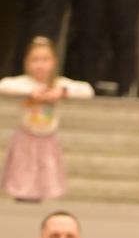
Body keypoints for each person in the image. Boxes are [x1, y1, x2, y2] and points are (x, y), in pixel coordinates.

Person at [0, 37, 93, 202]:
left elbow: (87, 90)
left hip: (47, 137)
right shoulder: (25, 83)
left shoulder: (58, 84)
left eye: (45, 60)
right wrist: (30, 92)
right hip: (26, 136)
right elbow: (4, 85)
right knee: (23, 173)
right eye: (35, 60)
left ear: (53, 62)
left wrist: (62, 93)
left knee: (45, 174)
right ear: (27, 62)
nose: (40, 64)